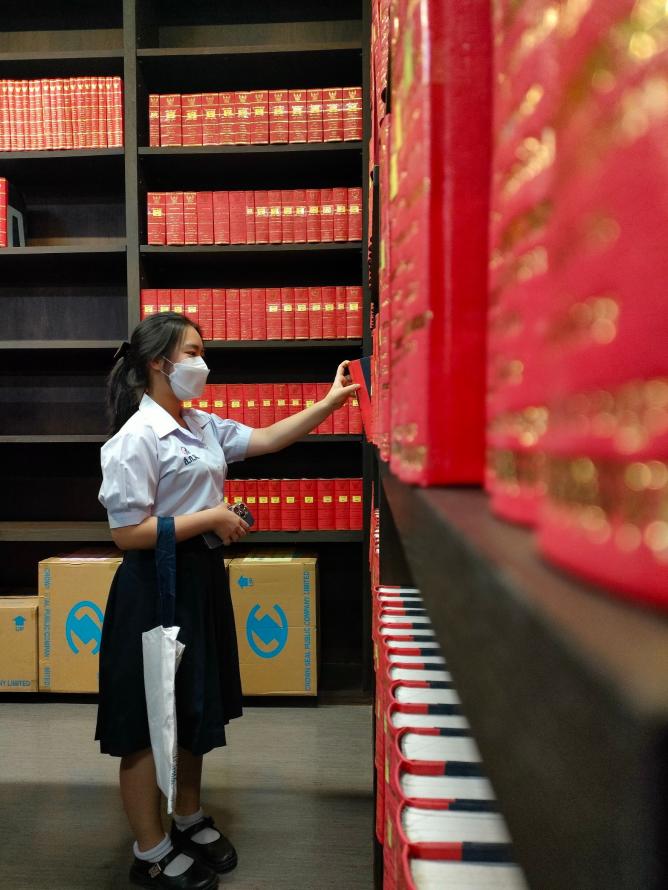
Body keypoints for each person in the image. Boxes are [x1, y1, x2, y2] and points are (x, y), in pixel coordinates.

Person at [95, 311, 360, 889]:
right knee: (144, 722)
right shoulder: (136, 438)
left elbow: (266, 439)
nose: (203, 363)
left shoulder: (200, 424)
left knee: (195, 706)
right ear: (158, 363)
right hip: (153, 588)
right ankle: (149, 849)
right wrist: (211, 517)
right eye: (192, 352)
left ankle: (187, 816)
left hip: (200, 580)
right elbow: (127, 533)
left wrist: (330, 403)